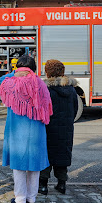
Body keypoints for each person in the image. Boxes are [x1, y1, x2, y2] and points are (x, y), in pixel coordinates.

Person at [0, 55, 52, 203]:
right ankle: (31, 198)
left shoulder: (11, 82)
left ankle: (20, 198)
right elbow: (47, 106)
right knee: (34, 165)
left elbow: (1, 81)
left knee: (19, 164)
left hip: (18, 131)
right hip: (37, 129)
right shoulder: (40, 84)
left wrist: (13, 73)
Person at [39, 59, 78, 195]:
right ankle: (62, 184)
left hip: (48, 128)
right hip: (66, 129)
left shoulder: (46, 90)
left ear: (48, 73)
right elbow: (75, 109)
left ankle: (43, 186)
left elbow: (42, 109)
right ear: (62, 72)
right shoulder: (71, 90)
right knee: (63, 153)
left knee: (46, 155)